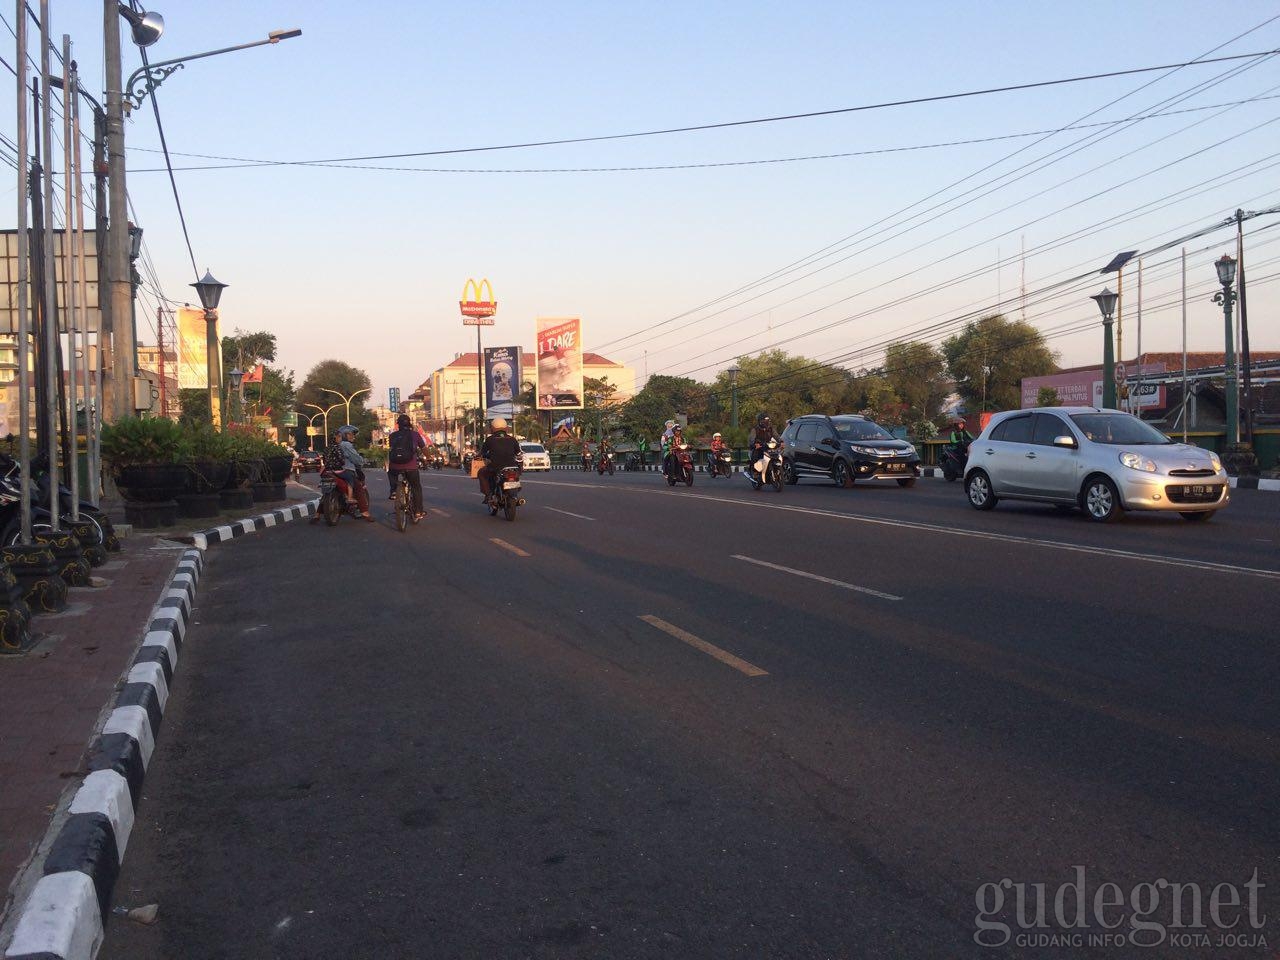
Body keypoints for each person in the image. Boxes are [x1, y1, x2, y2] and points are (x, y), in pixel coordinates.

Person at [386, 413, 426, 521]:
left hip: (395, 465)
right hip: (411, 467)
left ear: (398, 424)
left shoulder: (392, 435)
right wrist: (429, 458)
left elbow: (392, 449)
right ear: (409, 423)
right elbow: (423, 448)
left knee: (391, 472)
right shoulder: (415, 434)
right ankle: (418, 512)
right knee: (416, 487)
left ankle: (394, 491)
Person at [478, 417, 522, 503]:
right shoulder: (512, 439)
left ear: (493, 428)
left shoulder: (490, 439)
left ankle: (488, 495)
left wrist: (479, 456)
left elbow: (482, 452)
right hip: (512, 466)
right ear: (505, 428)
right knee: (516, 474)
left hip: (495, 467)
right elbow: (518, 452)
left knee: (481, 473)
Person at [335, 425, 373, 521]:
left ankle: (317, 514)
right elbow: (355, 458)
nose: (353, 437)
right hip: (346, 470)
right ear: (345, 435)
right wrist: (362, 461)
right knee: (359, 488)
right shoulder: (346, 445)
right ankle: (365, 512)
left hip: (332, 471)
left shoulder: (336, 444)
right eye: (351, 434)